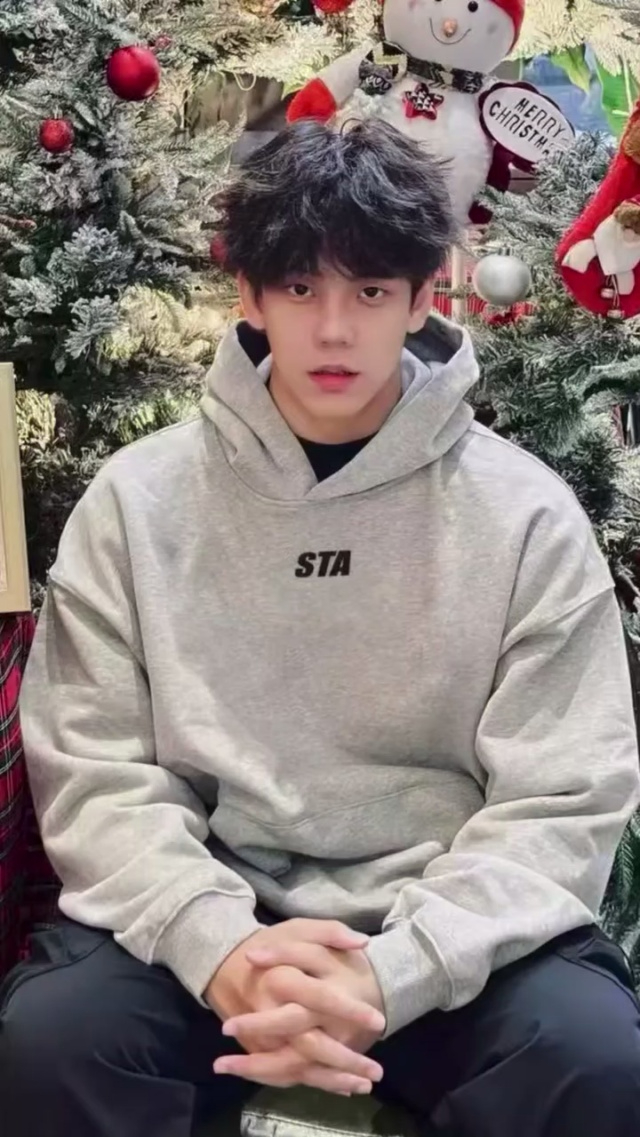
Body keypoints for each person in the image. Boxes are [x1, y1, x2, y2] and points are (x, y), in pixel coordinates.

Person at [1, 118, 640, 1137]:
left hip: (456, 930)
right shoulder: (136, 501)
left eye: (371, 292)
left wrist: (393, 972)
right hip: (209, 914)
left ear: (424, 297)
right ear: (250, 297)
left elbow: (563, 795)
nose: (334, 331)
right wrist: (223, 949)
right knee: (51, 1043)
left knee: (594, 1062)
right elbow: (93, 769)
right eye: (300, 289)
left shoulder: (525, 515)